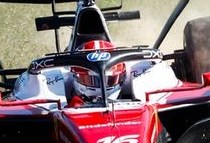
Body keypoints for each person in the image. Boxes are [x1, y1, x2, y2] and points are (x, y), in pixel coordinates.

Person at [12, 40, 181, 105]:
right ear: (75, 76)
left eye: (110, 80)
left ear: (122, 76)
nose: (101, 87)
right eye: (91, 80)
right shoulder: (52, 79)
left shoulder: (141, 73)